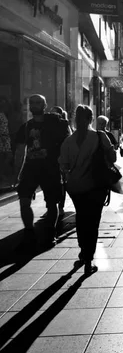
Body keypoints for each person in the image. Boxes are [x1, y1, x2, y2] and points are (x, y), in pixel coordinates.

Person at [58, 105, 116, 274]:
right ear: (91, 119)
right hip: (96, 186)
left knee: (81, 220)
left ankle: (84, 252)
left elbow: (63, 164)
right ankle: (89, 258)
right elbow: (112, 158)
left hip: (76, 187)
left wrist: (70, 176)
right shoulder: (99, 136)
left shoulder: (68, 141)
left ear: (75, 120)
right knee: (93, 222)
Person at [14, 94, 70, 249]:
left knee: (52, 203)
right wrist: (17, 173)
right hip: (31, 169)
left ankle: (50, 233)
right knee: (24, 201)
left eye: (38, 102)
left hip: (50, 168)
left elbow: (67, 141)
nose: (34, 105)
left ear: (44, 105)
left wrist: (65, 165)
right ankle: (29, 233)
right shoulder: (26, 127)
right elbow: (20, 151)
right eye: (32, 102)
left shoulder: (55, 122)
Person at [0, 97, 13, 188]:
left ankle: (3, 174)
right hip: (3, 138)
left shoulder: (3, 114)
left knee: (6, 156)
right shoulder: (1, 115)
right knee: (5, 156)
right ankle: (2, 174)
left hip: (5, 137)